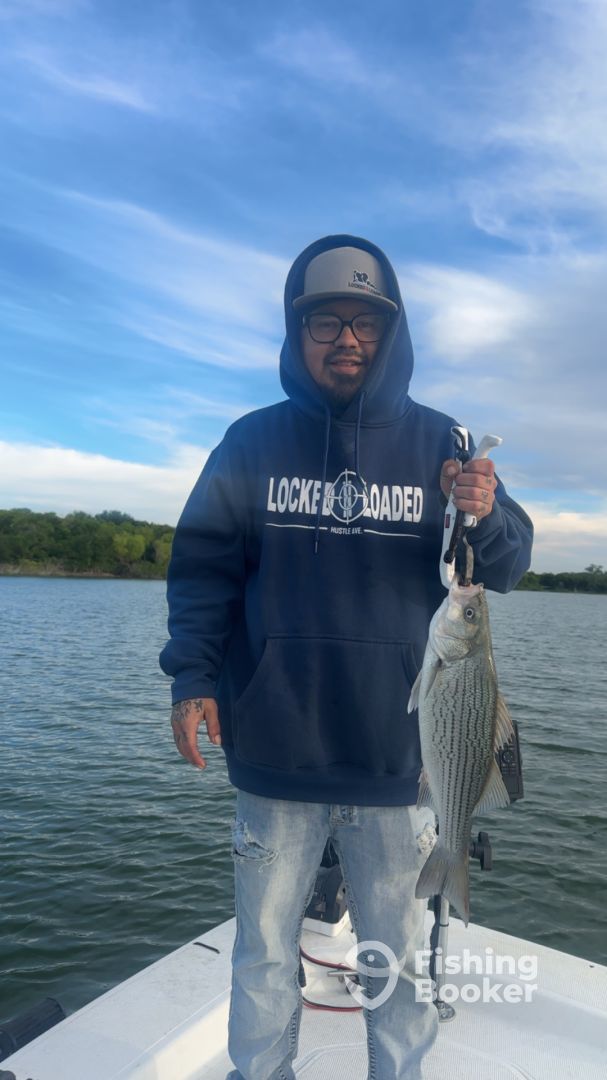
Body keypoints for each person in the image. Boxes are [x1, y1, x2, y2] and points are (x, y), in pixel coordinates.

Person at [159, 235, 533, 1080]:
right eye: (324, 321)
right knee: (262, 956)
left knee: (395, 968)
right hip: (274, 751)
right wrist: (191, 678)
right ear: (296, 333)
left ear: (390, 332)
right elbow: (203, 572)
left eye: (365, 322)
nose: (346, 339)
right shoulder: (250, 443)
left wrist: (483, 510)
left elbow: (507, 566)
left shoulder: (443, 441)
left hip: (398, 763)